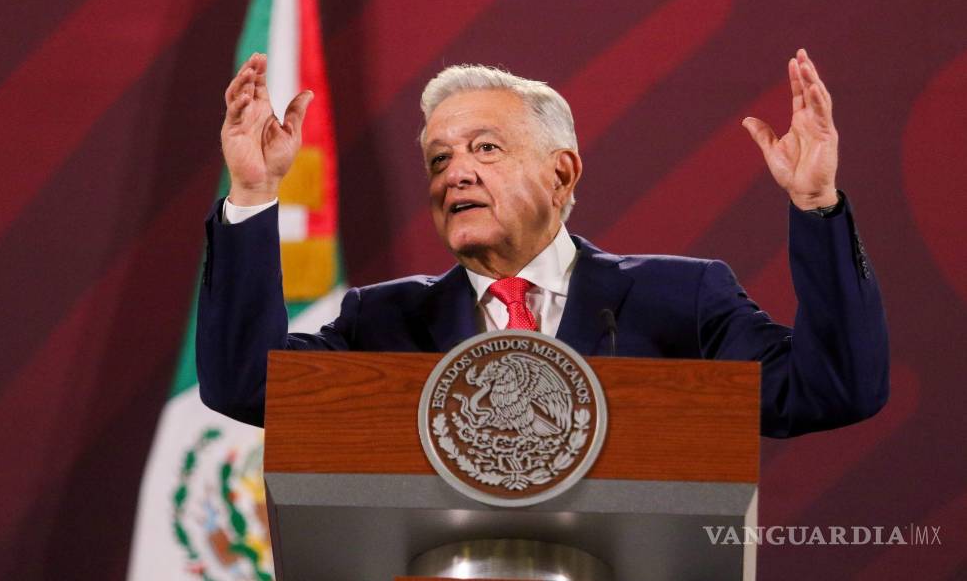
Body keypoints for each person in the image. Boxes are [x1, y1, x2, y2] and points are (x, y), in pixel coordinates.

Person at [197, 50, 889, 438]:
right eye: (439, 159)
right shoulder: (383, 323)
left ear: (562, 174)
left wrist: (816, 204)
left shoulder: (681, 300)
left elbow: (832, 390)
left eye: (485, 148)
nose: (455, 173)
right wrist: (253, 193)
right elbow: (246, 386)